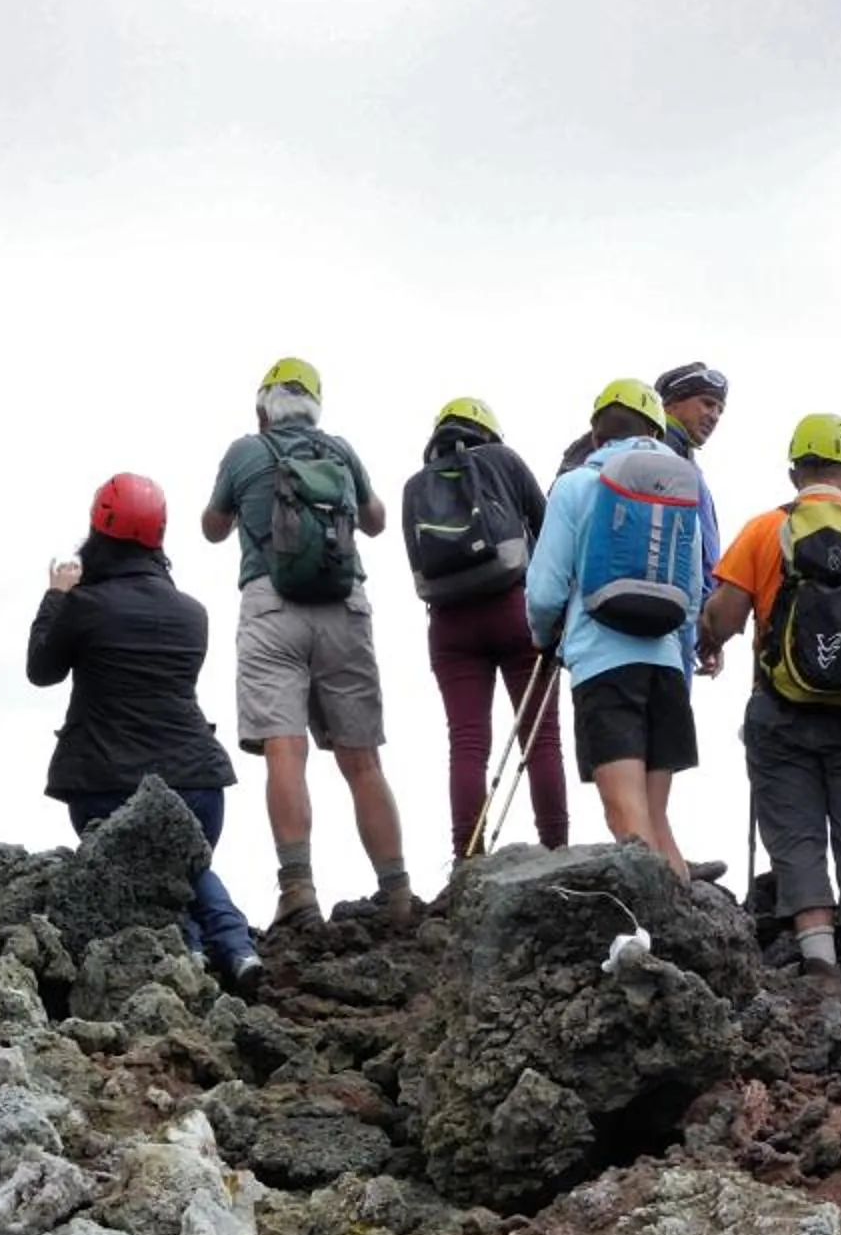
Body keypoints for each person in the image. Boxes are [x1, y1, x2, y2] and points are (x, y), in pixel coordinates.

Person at [696, 411, 841, 999]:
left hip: (780, 712)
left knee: (794, 832)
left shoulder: (765, 531)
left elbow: (724, 614)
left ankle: (818, 961)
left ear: (796, 471)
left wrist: (708, 639)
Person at [202, 355, 416, 931]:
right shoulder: (340, 450)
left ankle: (299, 889)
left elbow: (212, 526)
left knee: (285, 749)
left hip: (272, 604)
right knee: (362, 759)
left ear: (262, 407)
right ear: (316, 407)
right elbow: (375, 521)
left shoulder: (245, 451)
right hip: (344, 606)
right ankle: (396, 891)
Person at [29, 474, 260, 990]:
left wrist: (56, 596)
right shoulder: (192, 615)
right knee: (188, 867)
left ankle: (193, 954)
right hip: (199, 784)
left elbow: (41, 669)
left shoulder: (84, 605)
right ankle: (237, 948)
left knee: (148, 877)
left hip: (106, 784)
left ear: (97, 530)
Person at [525, 378, 702, 878]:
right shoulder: (678, 487)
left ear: (598, 434)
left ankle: (659, 934)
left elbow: (544, 591)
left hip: (605, 668)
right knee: (657, 819)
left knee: (626, 818)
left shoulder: (578, 484)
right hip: (664, 667)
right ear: (653, 429)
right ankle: (690, 938)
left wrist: (546, 640)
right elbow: (691, 590)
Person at [402, 396, 567, 860]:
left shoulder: (415, 486)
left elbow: (417, 564)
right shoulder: (504, 461)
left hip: (450, 626)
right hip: (516, 611)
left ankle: (466, 856)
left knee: (467, 742)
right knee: (541, 735)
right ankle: (555, 848)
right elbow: (548, 526)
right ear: (489, 432)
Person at [655, 361, 726, 682]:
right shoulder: (671, 459)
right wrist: (710, 617)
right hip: (674, 616)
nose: (714, 416)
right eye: (707, 403)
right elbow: (695, 548)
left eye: (720, 410)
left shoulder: (677, 455)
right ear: (671, 403)